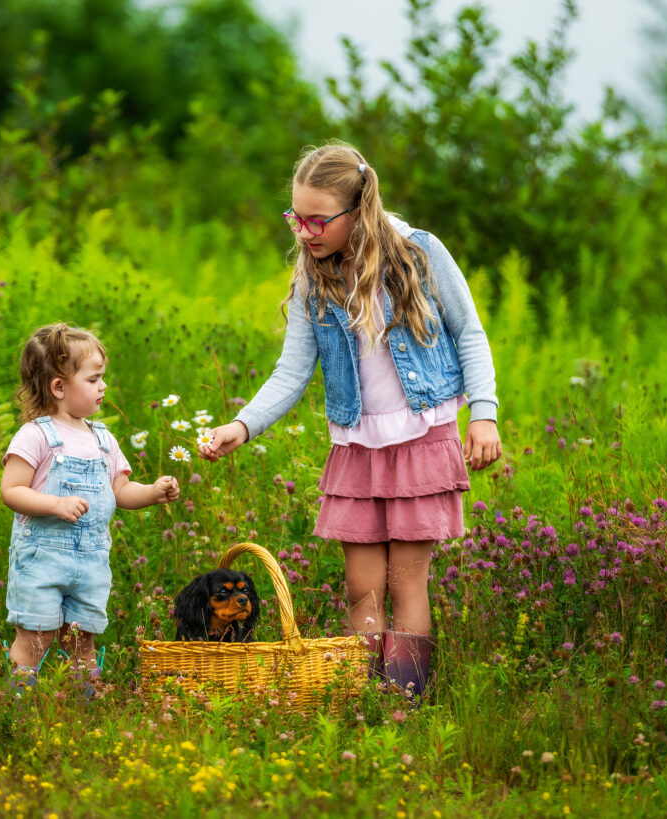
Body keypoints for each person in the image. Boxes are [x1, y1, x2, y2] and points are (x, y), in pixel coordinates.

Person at [199, 142, 501, 702]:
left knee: (407, 582)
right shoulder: (314, 278)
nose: (305, 231)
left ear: (357, 209)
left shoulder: (419, 253)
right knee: (362, 588)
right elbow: (292, 372)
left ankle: (405, 705)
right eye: (296, 217)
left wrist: (483, 413)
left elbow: (470, 333)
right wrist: (241, 426)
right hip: (357, 445)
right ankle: (366, 703)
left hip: (422, 437)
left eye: (318, 220)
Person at [1, 323, 180, 691]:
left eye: (103, 377)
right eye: (95, 378)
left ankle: (82, 708)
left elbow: (121, 490)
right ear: (59, 387)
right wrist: (54, 503)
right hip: (41, 559)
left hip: (90, 562)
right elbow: (12, 490)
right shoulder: (36, 435)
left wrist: (152, 492)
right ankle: (17, 710)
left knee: (82, 640)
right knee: (37, 637)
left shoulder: (103, 439)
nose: (104, 386)